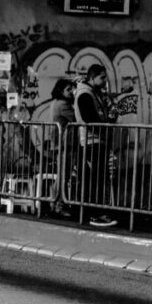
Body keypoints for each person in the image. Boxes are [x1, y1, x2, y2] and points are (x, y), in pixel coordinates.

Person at [72, 64, 118, 228]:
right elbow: (90, 118)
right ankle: (95, 214)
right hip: (92, 141)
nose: (105, 81)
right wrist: (106, 125)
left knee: (98, 177)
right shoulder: (85, 94)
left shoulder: (91, 93)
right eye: (102, 78)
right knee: (97, 178)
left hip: (95, 140)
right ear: (92, 78)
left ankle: (96, 213)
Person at [48, 78, 77, 218]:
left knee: (62, 174)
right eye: (68, 89)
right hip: (66, 143)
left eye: (72, 89)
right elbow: (76, 119)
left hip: (60, 143)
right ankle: (58, 205)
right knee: (64, 175)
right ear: (61, 91)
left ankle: (55, 204)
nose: (71, 92)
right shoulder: (63, 104)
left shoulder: (55, 103)